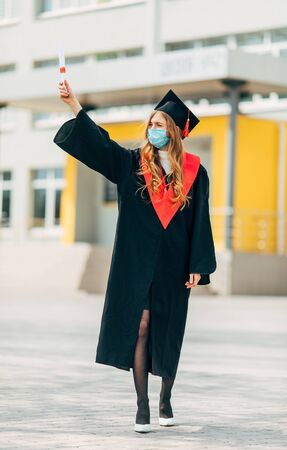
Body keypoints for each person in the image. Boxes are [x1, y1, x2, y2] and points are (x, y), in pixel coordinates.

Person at [54, 80, 217, 433]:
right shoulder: (131, 164)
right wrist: (74, 105)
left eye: (159, 125)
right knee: (140, 327)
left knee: (168, 330)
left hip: (174, 264)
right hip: (137, 261)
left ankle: (165, 397)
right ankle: (142, 405)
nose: (152, 130)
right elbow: (99, 144)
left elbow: (201, 220)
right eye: (151, 124)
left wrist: (198, 265)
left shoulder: (194, 172)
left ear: (174, 131)